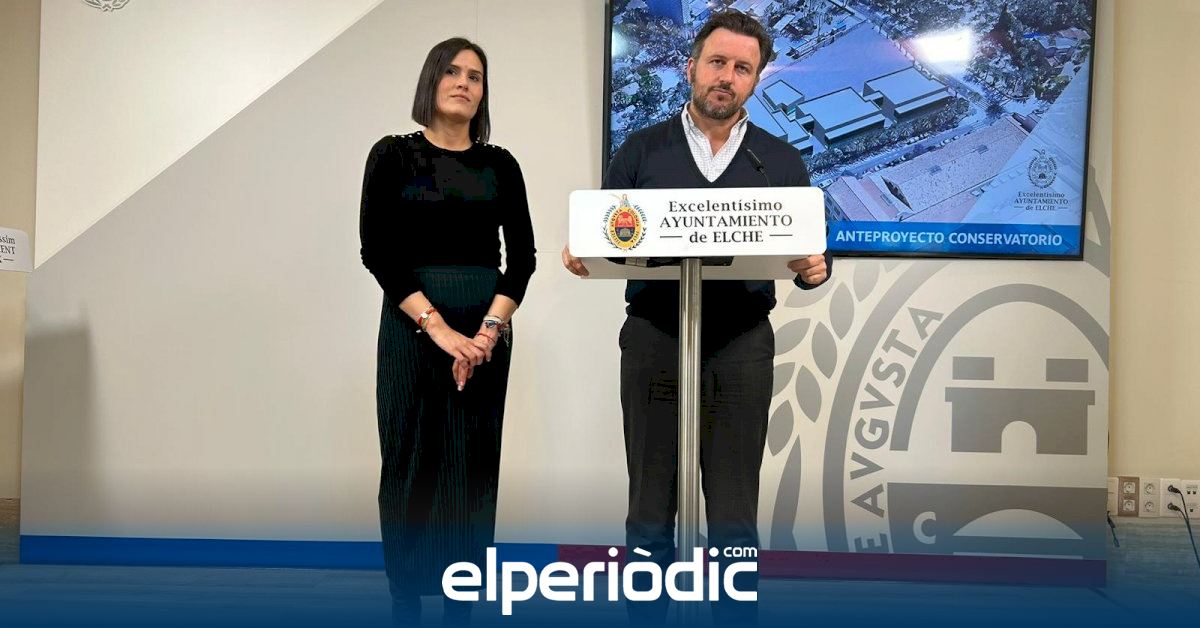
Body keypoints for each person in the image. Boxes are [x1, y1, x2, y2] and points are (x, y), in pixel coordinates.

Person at [562, 10, 830, 626]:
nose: (727, 77)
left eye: (743, 68)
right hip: (655, 336)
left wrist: (818, 267)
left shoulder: (779, 161)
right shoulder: (640, 150)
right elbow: (609, 234)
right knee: (649, 511)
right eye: (717, 62)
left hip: (741, 344)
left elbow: (808, 248)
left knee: (734, 516)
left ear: (756, 80)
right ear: (691, 67)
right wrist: (586, 248)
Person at [359, 37, 536, 626]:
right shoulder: (392, 155)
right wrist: (437, 329)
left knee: (471, 468)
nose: (464, 83)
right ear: (431, 80)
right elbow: (378, 252)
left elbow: (523, 260)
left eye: (476, 76)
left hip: (485, 335)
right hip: (413, 328)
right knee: (410, 462)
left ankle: (463, 598)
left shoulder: (501, 164)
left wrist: (485, 334)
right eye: (453, 71)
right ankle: (405, 596)